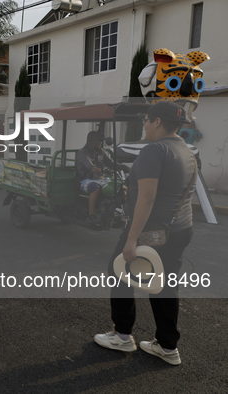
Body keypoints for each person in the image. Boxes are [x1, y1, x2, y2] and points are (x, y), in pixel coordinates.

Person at [94, 101, 197, 366]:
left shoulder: (155, 150)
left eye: (146, 120)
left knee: (119, 272)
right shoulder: (185, 149)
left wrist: (131, 239)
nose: (144, 124)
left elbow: (147, 199)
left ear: (157, 122)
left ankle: (122, 335)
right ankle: (167, 346)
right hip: (181, 228)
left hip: (152, 231)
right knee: (164, 286)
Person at [76, 131, 128, 223]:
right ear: (92, 141)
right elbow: (87, 163)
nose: (100, 143)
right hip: (85, 180)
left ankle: (119, 211)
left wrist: (125, 167)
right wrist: (93, 168)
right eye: (98, 141)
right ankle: (91, 215)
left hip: (100, 178)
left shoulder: (102, 152)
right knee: (95, 188)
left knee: (119, 186)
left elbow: (111, 163)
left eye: (101, 141)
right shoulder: (82, 152)